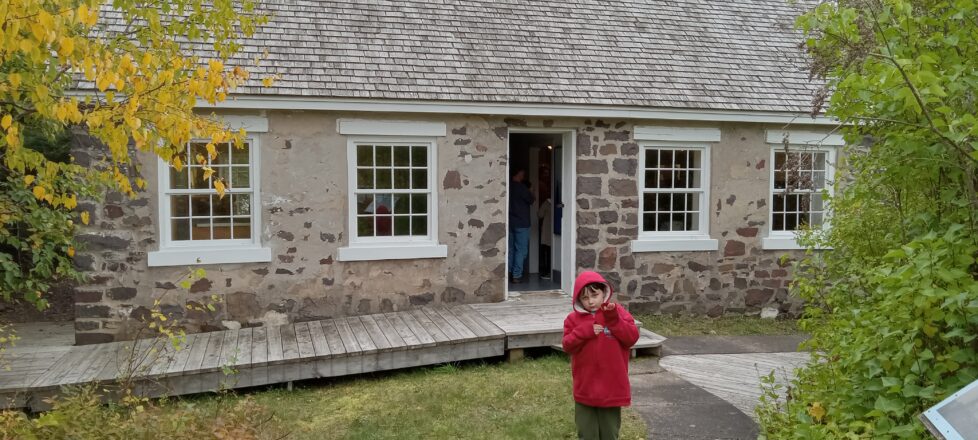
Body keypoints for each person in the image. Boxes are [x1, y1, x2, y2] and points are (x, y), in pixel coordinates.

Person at [562, 271, 639, 440]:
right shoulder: (573, 320)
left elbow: (631, 338)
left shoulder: (616, 312)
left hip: (611, 387)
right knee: (587, 434)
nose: (590, 301)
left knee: (610, 434)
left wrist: (614, 320)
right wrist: (584, 331)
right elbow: (567, 345)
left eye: (594, 295)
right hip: (585, 387)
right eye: (584, 298)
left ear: (604, 292)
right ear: (578, 300)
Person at [508, 168, 534, 284]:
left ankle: (508, 272)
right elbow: (531, 200)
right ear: (518, 174)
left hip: (510, 222)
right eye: (522, 174)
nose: (523, 177)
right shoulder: (521, 188)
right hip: (522, 223)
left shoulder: (508, 186)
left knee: (511, 249)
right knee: (521, 250)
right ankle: (516, 275)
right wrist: (531, 191)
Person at [538, 197, 553, 279]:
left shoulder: (547, 203)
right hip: (557, 231)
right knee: (552, 252)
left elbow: (540, 214)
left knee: (546, 252)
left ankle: (548, 272)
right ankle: (551, 272)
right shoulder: (560, 201)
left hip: (547, 231)